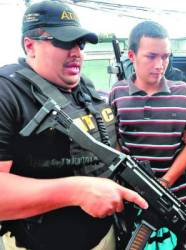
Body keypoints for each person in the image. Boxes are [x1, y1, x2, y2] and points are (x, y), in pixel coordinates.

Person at [0, 1, 148, 250]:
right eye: (64, 42)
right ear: (30, 45)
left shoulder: (87, 90)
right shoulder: (8, 93)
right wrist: (75, 191)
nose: (77, 52)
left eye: (79, 44)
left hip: (104, 235)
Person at [109, 21, 186, 249]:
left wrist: (165, 182)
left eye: (165, 56)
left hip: (174, 201)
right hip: (132, 200)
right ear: (132, 55)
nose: (160, 65)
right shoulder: (117, 94)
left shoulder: (183, 93)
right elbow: (115, 143)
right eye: (151, 56)